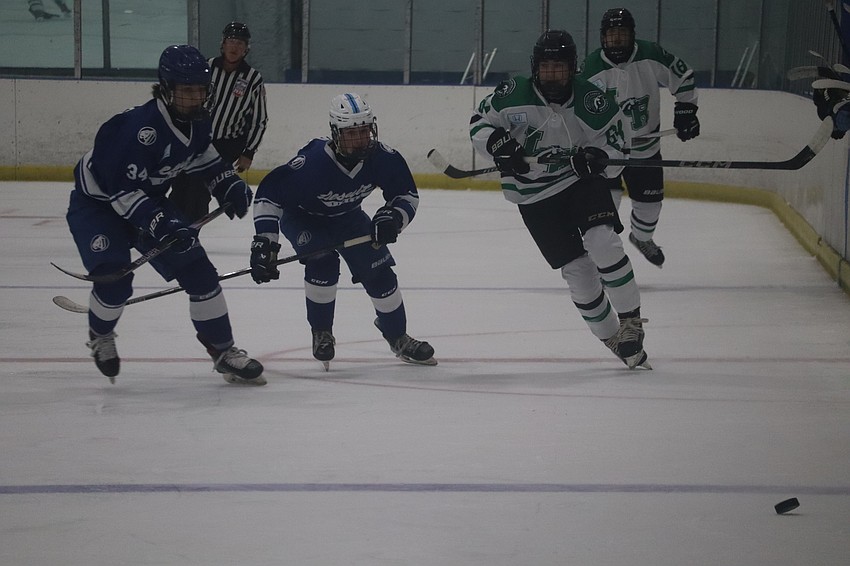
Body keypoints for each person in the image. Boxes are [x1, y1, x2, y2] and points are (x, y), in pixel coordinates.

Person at [65, 44, 265, 386]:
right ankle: (100, 335)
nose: (195, 98)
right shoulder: (134, 130)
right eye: (187, 91)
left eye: (200, 91)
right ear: (166, 88)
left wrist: (227, 184)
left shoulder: (197, 122)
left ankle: (223, 351)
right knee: (115, 281)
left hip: (149, 200)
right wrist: (163, 223)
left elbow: (204, 159)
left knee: (201, 274)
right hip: (98, 208)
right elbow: (122, 192)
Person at [469, 30, 650, 369]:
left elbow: (618, 145)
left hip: (578, 182)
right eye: (546, 67)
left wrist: (598, 157)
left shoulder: (591, 100)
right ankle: (613, 338)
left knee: (603, 243)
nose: (552, 75)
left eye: (560, 67)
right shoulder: (513, 94)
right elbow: (479, 123)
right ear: (536, 67)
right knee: (579, 273)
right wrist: (497, 144)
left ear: (573, 68)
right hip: (534, 196)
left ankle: (632, 324)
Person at [249, 92, 436, 370]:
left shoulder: (383, 157)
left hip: (348, 218)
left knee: (380, 273)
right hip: (303, 218)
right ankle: (322, 332)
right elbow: (269, 195)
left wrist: (392, 218)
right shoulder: (311, 163)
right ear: (335, 133)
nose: (360, 139)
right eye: (352, 133)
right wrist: (265, 240)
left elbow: (406, 196)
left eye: (365, 131)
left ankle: (398, 337)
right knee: (322, 261)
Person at [578, 8, 700, 268]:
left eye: (622, 33)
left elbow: (684, 76)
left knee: (650, 208)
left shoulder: (650, 54)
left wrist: (686, 110)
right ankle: (602, 260)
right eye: (612, 35)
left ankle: (642, 238)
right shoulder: (589, 67)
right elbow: (574, 108)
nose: (617, 39)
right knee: (604, 212)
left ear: (632, 35)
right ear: (603, 37)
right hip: (606, 152)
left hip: (646, 149)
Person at [168, 22, 269, 222]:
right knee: (181, 182)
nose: (235, 47)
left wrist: (248, 152)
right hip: (195, 137)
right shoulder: (206, 67)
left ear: (246, 49)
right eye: (231, 41)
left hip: (226, 143)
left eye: (240, 43)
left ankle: (191, 230)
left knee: (199, 186)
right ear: (222, 44)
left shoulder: (253, 79)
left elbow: (259, 119)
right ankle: (172, 225)